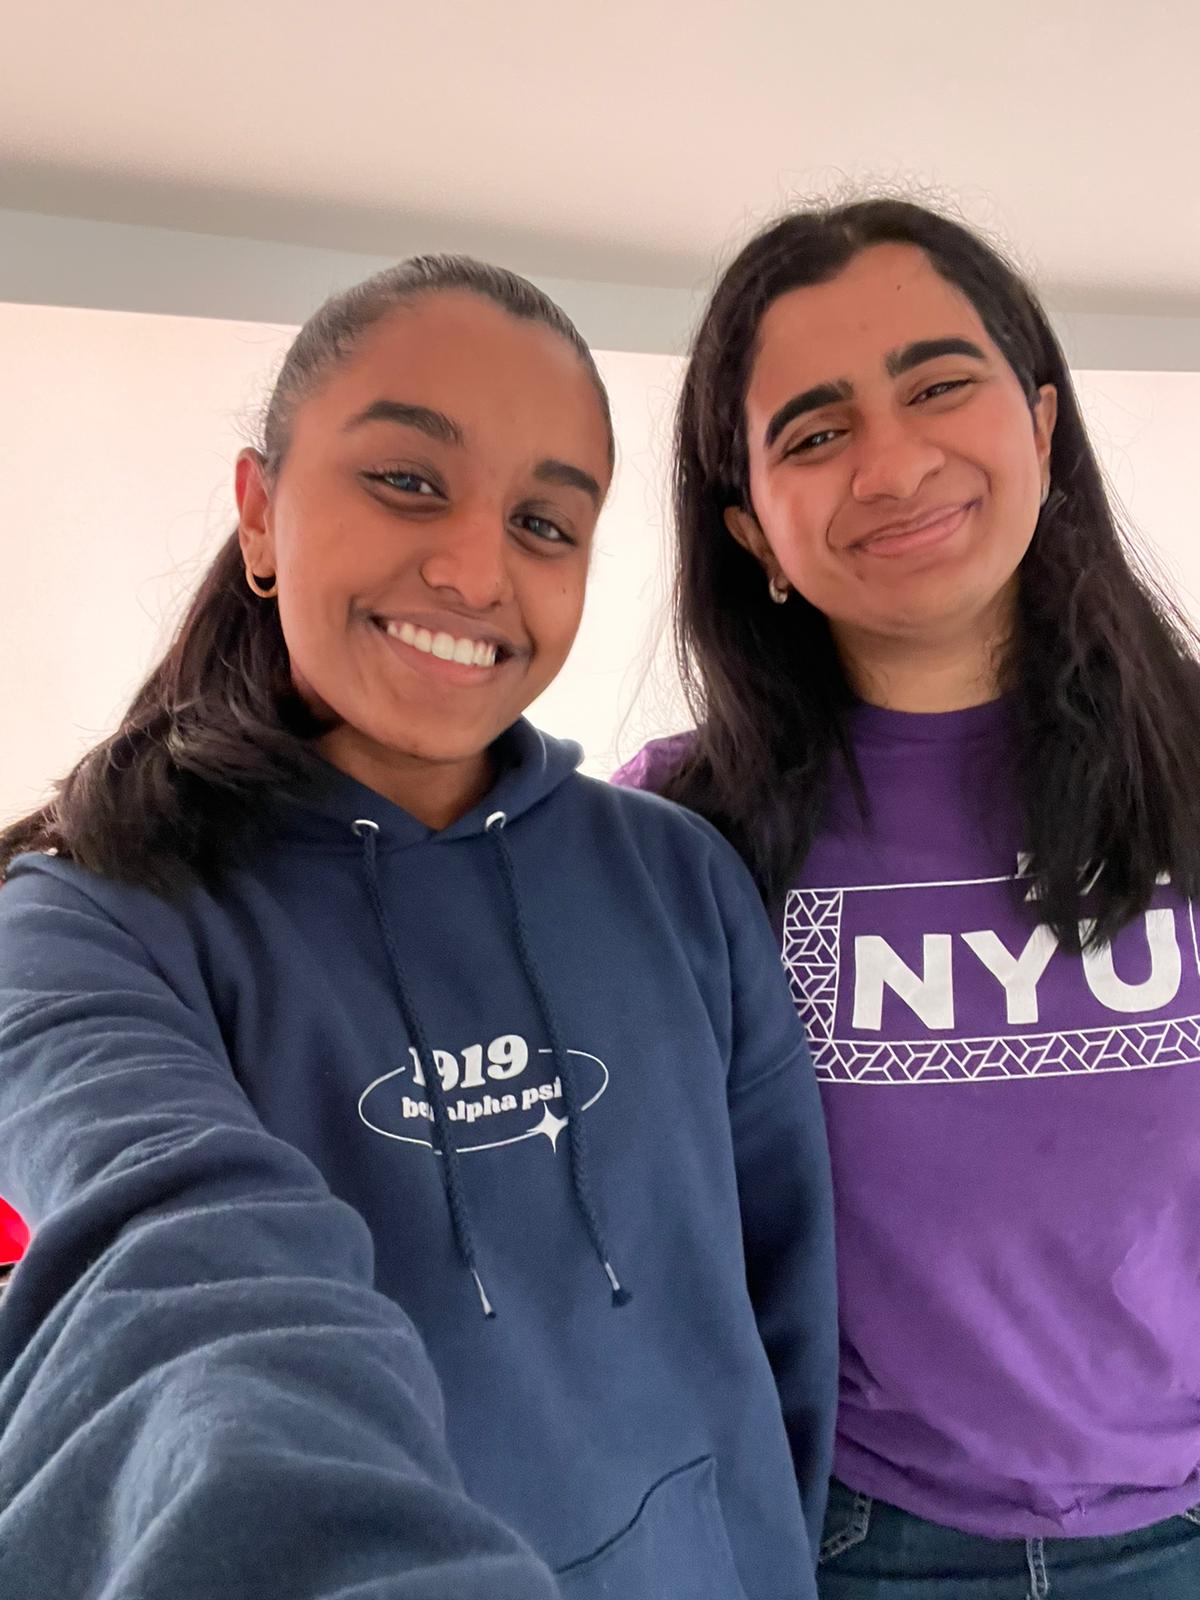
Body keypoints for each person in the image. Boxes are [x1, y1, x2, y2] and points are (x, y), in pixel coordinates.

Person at [0, 254, 837, 1600]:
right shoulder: (84, 928)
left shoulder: (680, 878)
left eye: (547, 525)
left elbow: (783, 1309)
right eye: (405, 481)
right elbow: (179, 1299)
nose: (472, 568)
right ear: (260, 514)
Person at [615, 198, 1200, 1598]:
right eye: (814, 433)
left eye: (940, 385)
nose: (892, 462)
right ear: (751, 526)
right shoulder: (677, 836)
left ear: (1043, 430)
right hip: (862, 1547)